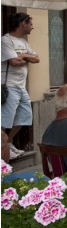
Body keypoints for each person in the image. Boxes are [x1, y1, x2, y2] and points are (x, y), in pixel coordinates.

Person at [1, 12, 40, 158]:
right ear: (23, 23)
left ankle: (8, 142)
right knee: (5, 119)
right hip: (9, 86)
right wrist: (25, 58)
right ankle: (3, 148)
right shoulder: (6, 40)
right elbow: (13, 62)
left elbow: (37, 59)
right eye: (30, 23)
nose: (32, 27)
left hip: (21, 87)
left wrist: (22, 56)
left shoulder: (24, 42)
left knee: (25, 116)